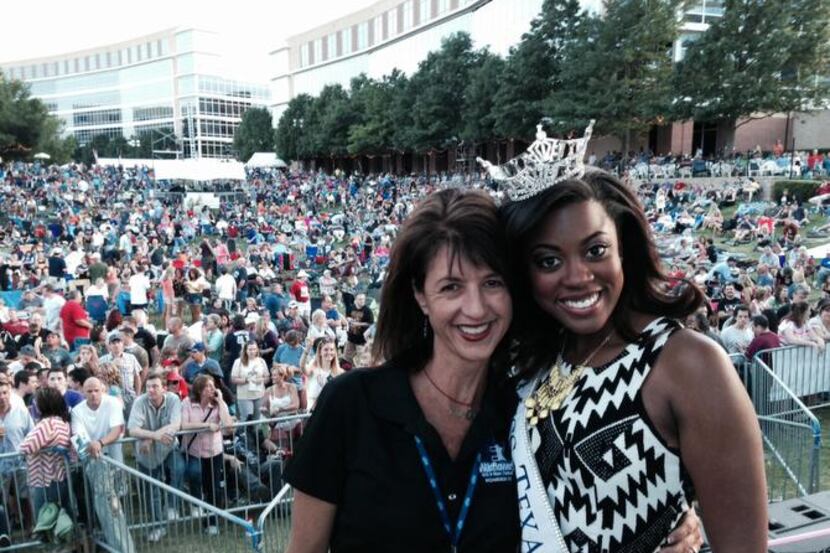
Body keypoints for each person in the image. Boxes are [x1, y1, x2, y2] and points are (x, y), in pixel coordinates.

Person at [283, 189, 700, 552]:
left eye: (492, 283)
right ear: (420, 296)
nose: (477, 309)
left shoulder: (530, 411)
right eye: (451, 287)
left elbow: (585, 524)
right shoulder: (351, 405)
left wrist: (668, 526)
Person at [499, 165, 765, 550]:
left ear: (623, 245)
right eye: (548, 261)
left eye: (595, 251)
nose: (577, 276)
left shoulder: (686, 363)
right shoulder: (536, 360)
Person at [127, 371, 184, 542]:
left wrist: (152, 437)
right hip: (148, 454)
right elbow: (133, 430)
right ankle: (158, 526)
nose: (151, 390)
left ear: (164, 388)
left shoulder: (173, 399)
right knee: (153, 490)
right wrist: (154, 437)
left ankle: (172, 506)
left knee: (179, 469)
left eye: (155, 386)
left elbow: (175, 424)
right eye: (148, 387)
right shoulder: (140, 402)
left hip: (168, 447)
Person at [180, 374, 234, 536]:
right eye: (209, 386)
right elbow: (184, 425)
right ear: (200, 389)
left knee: (213, 487)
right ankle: (197, 504)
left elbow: (229, 427)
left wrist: (222, 401)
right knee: (197, 478)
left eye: (213, 386)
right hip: (194, 451)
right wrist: (206, 426)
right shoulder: (188, 403)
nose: (213, 389)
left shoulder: (217, 404)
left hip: (214, 452)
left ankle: (211, 522)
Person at [19, 387, 74, 515]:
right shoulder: (62, 422)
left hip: (45, 479)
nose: (35, 404)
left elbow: (25, 447)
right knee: (62, 515)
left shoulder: (47, 424)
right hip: (58, 476)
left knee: (45, 519)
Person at [230, 341, 268, 422]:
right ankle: (246, 434)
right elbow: (233, 379)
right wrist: (246, 380)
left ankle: (256, 434)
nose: (252, 352)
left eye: (254, 349)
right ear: (245, 350)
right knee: (247, 418)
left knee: (257, 419)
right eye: (250, 349)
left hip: (259, 394)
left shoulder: (261, 361)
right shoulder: (238, 362)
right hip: (244, 395)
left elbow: (267, 377)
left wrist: (261, 380)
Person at [303, 337, 342, 410]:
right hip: (314, 410)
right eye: (326, 350)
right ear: (320, 352)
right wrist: (306, 350)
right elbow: (302, 367)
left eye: (332, 350)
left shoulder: (339, 372)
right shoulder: (313, 368)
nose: (329, 352)